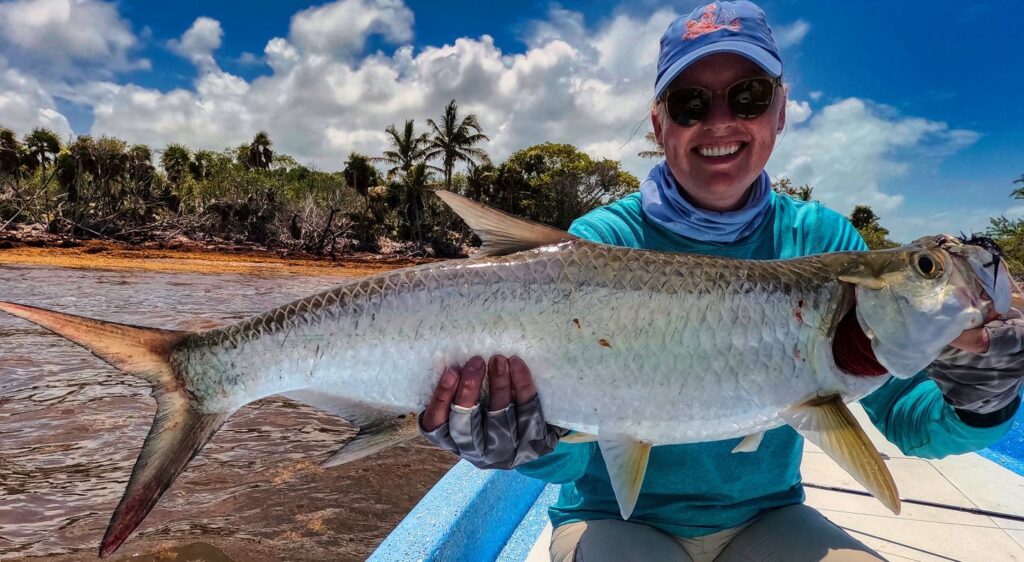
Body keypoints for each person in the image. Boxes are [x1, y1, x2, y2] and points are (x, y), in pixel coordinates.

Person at [418, 2, 1024, 560]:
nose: (719, 122)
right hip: (613, 519)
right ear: (658, 125)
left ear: (780, 111)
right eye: (690, 104)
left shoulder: (828, 242)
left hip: (767, 518)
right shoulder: (601, 242)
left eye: (748, 96)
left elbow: (911, 422)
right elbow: (566, 457)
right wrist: (523, 448)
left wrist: (983, 399)